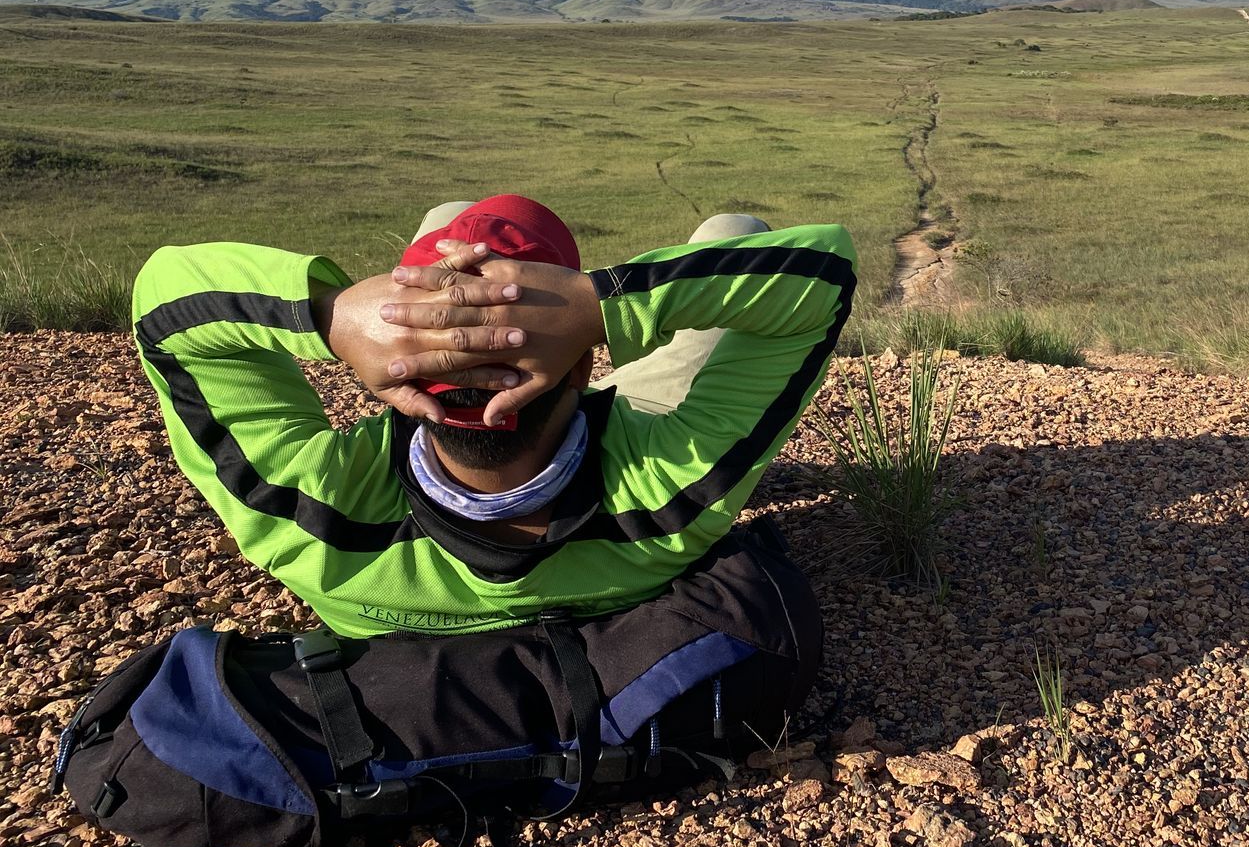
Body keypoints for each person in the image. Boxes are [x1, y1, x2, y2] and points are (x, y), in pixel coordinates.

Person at [130, 195, 856, 637]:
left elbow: (165, 301)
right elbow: (819, 275)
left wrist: (333, 316)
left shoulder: (304, 520)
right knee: (735, 226)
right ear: (584, 364)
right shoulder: (668, 501)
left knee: (449, 222)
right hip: (628, 449)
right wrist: (599, 306)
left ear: (401, 377)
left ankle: (436, 279)